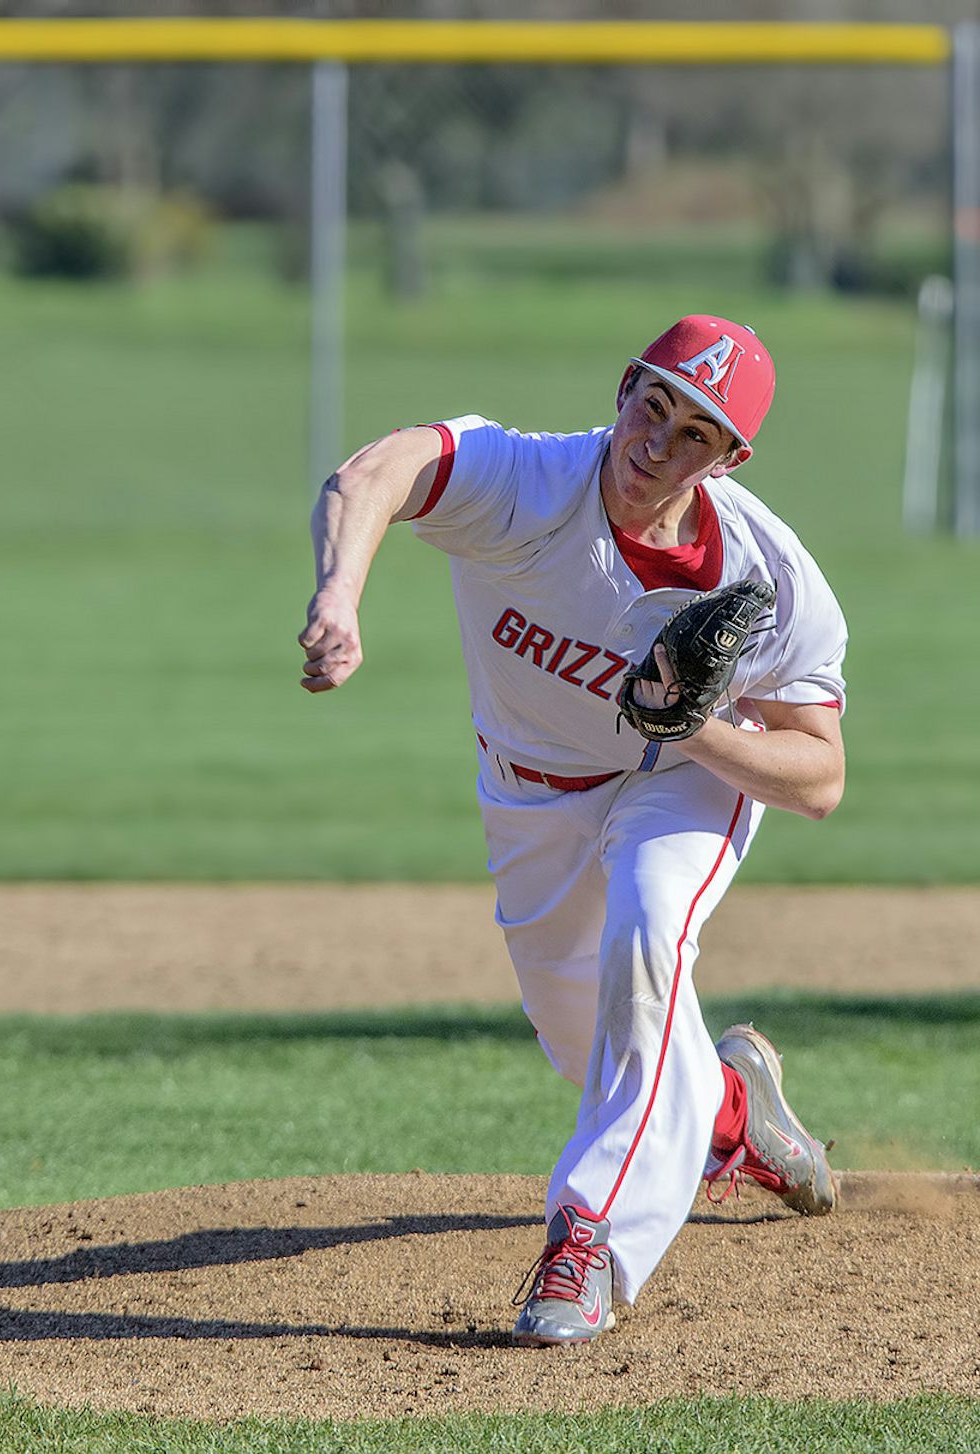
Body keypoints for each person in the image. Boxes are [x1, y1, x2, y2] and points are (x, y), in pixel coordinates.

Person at [299, 316, 846, 1346]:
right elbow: (371, 473)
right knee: (586, 1043)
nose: (659, 443)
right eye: (656, 405)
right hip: (530, 795)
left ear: (730, 458)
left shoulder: (767, 577)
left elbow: (819, 776)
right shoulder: (525, 483)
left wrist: (701, 735)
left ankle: (588, 1238)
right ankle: (733, 1111)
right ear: (625, 385)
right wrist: (340, 594)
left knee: (649, 934)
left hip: (681, 782)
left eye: (697, 434)